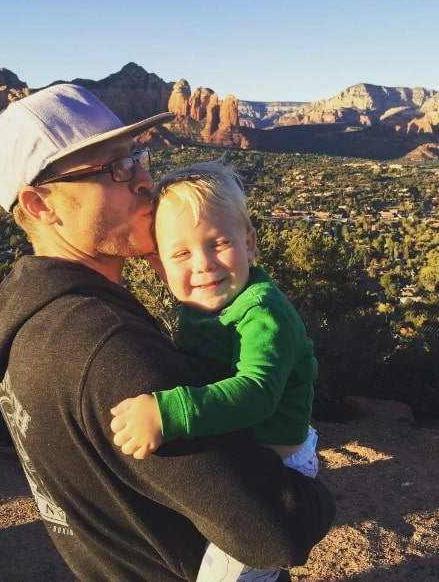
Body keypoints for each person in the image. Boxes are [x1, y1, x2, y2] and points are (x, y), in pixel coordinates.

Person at [0, 83, 335, 582]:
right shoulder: (107, 349)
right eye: (116, 168)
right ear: (40, 205)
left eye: (138, 157)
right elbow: (276, 532)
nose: (145, 180)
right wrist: (315, 500)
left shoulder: (24, 322)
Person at [110, 162, 319, 582]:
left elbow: (256, 392)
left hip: (278, 463)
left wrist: (168, 412)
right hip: (246, 448)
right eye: (181, 254)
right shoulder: (206, 303)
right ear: (159, 265)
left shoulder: (263, 312)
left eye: (219, 243)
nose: (203, 264)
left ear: (250, 242)